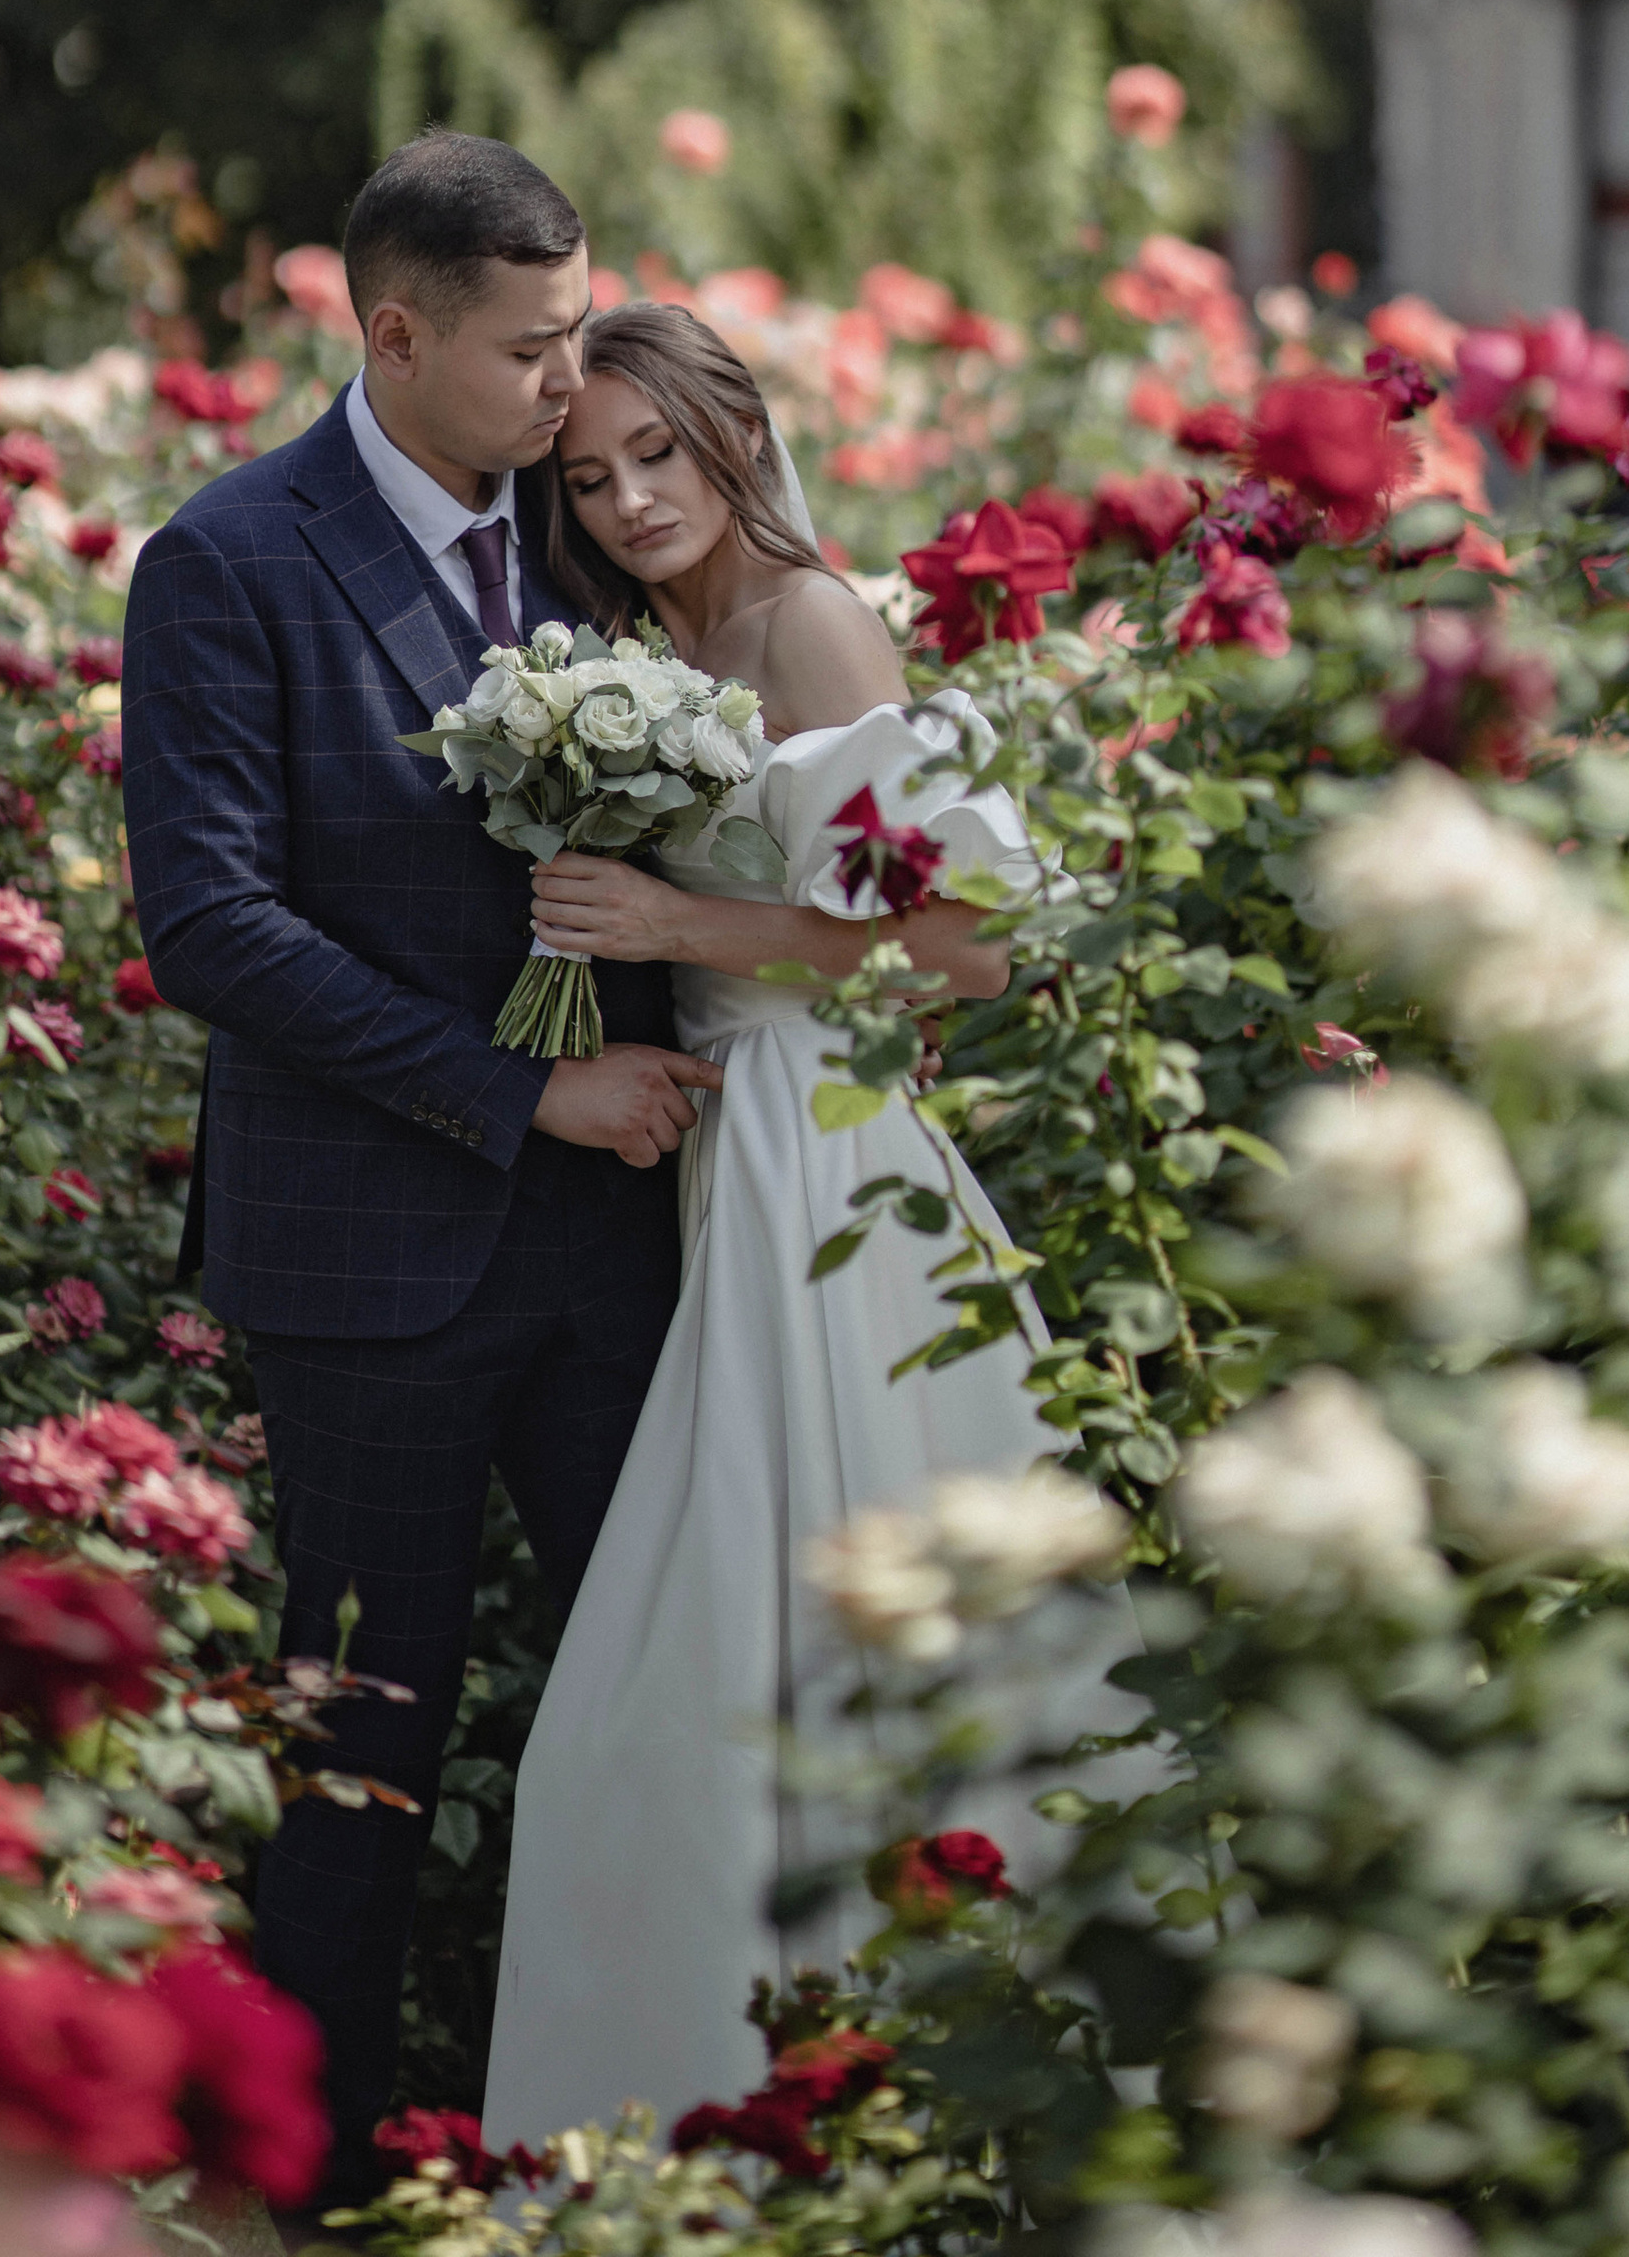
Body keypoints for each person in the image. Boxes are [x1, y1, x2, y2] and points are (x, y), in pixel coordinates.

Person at [123, 135, 723, 2226]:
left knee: (675, 1708)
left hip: (621, 1252)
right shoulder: (227, 560)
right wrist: (515, 1092)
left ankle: (683, 2164)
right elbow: (211, 927)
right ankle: (308, 2204)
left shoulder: (598, 531)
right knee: (357, 1765)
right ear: (394, 334)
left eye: (581, 334)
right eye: (532, 350)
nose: (573, 386)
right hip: (367, 1273)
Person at [480, 301, 1143, 2148]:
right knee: (704, 1662)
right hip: (704, 1151)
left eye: (656, 456)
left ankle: (906, 2083)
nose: (628, 500)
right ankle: (716, 2094)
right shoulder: (642, 651)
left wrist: (673, 926)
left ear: (734, 437)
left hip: (820, 1157)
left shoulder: (810, 623)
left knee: (799, 1623)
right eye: (587, 477)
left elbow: (964, 948)